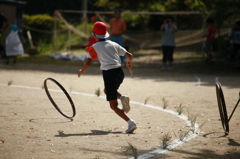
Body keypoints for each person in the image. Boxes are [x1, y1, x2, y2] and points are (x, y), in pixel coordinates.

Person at [78, 21, 137, 133]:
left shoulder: (94, 47)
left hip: (109, 74)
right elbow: (130, 55)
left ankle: (130, 122)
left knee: (113, 105)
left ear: (94, 35)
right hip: (120, 72)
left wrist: (82, 70)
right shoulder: (114, 44)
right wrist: (129, 63)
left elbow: (88, 62)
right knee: (108, 90)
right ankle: (122, 97)